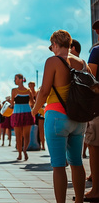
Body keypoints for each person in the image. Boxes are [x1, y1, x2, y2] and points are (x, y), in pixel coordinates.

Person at [32, 30, 90, 203]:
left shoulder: (53, 61)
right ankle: (79, 201)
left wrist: (34, 111)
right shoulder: (81, 62)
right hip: (79, 119)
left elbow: (44, 91)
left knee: (58, 166)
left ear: (55, 44)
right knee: (77, 162)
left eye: (52, 46)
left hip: (57, 116)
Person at [86, 21, 99, 200]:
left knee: (95, 146)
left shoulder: (96, 51)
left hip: (97, 108)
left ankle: (96, 190)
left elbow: (91, 80)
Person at [11, 74, 34, 161]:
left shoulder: (28, 91)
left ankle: (24, 150)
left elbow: (32, 103)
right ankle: (20, 153)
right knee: (18, 135)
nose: (14, 80)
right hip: (17, 113)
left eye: (16, 79)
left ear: (21, 79)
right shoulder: (14, 90)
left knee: (26, 135)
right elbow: (12, 103)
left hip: (27, 113)